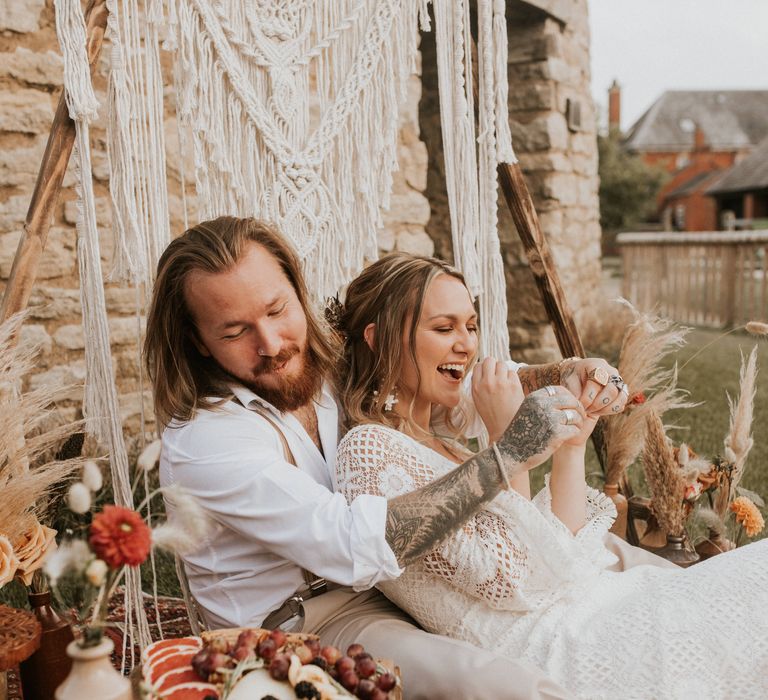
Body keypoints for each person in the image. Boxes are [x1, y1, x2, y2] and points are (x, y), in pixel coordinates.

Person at [145, 216, 631, 699]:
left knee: (609, 575)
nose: (270, 345)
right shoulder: (203, 440)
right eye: (235, 332)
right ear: (198, 343)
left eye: (277, 311)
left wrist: (568, 373)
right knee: (498, 685)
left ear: (298, 292)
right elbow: (353, 542)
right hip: (302, 626)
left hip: (397, 589)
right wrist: (506, 457)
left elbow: (453, 386)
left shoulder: (325, 370)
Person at [334, 251, 768, 700]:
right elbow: (514, 582)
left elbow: (563, 552)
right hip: (548, 644)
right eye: (444, 328)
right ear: (378, 338)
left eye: (471, 325)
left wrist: (573, 447)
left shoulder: (447, 440)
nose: (465, 344)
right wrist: (508, 443)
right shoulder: (370, 451)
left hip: (590, 603)